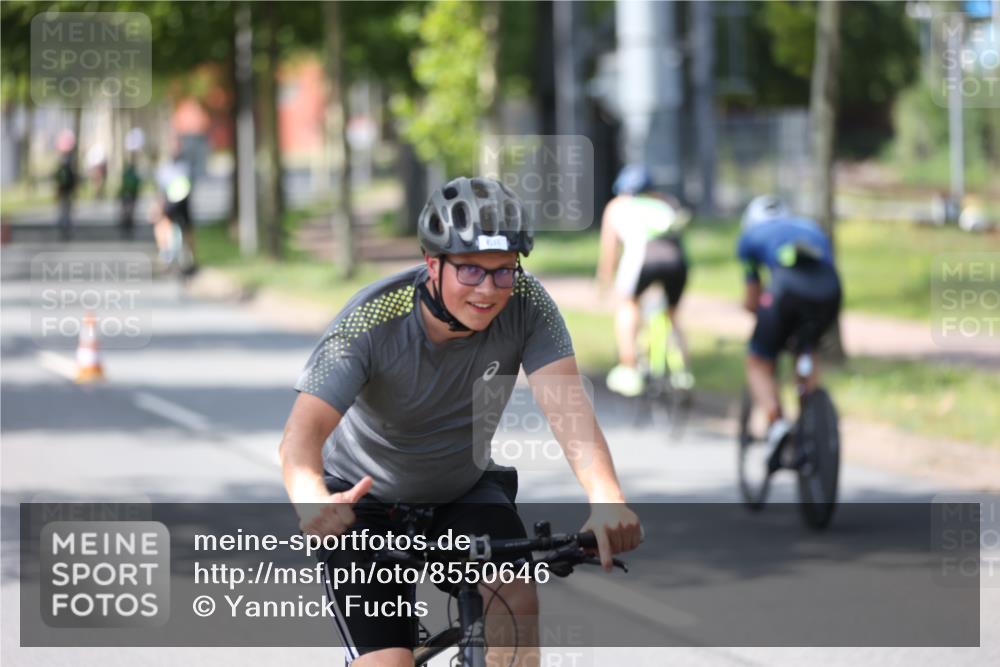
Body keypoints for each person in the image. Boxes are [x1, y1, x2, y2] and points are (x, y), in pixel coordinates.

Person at [279, 176, 642, 666]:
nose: (489, 290)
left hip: (462, 492)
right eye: (470, 270)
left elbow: (569, 411)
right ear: (433, 264)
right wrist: (310, 500)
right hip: (364, 505)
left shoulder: (528, 304)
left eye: (503, 271)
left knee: (514, 596)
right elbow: (299, 443)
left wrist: (606, 497)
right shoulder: (370, 320)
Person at [736, 195, 842, 458]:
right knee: (806, 347)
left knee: (758, 362)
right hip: (830, 290)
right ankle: (811, 412)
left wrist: (761, 317)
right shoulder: (809, 227)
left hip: (787, 289)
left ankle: (776, 423)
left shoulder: (749, 237)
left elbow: (752, 298)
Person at [596, 164, 692, 398]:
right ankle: (682, 373)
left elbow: (609, 251)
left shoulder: (617, 206)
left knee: (628, 305)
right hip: (676, 260)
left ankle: (628, 367)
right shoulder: (665, 202)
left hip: (642, 258)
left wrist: (604, 282)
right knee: (672, 313)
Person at [153, 146, 195, 271]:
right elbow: (160, 190)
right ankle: (165, 252)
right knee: (162, 224)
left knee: (187, 229)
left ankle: (191, 257)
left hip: (181, 202)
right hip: (171, 202)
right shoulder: (166, 169)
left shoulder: (184, 167)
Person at [54, 136, 78, 241]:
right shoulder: (67, 167)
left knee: (65, 210)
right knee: (66, 210)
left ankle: (65, 226)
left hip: (65, 191)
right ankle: (66, 226)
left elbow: (64, 179)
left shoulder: (65, 167)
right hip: (65, 191)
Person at [119, 155, 141, 240]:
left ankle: (127, 225)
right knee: (128, 211)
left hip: (129, 194)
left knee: (128, 211)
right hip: (130, 194)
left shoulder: (129, 174)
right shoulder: (132, 174)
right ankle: (127, 225)